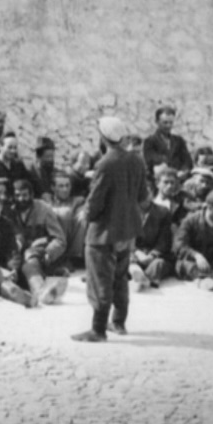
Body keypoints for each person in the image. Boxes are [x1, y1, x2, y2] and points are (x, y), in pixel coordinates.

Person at [72, 116, 148, 343]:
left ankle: (98, 329)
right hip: (128, 229)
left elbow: (96, 201)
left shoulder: (105, 163)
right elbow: (143, 196)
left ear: (103, 137)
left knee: (99, 279)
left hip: (104, 232)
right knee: (120, 277)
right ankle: (119, 322)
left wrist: (85, 214)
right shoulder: (137, 161)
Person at [10, 179, 69, 305]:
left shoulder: (44, 209)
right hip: (18, 253)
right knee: (21, 268)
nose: (21, 199)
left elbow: (60, 239)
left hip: (40, 252)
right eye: (17, 195)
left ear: (31, 194)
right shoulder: (10, 211)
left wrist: (49, 252)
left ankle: (40, 290)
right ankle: (50, 277)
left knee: (30, 260)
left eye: (25, 195)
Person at [129, 192, 173, 291]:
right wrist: (136, 252)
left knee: (158, 264)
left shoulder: (163, 212)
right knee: (121, 259)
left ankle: (141, 278)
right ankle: (137, 273)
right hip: (133, 252)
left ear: (152, 195)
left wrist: (152, 255)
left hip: (155, 254)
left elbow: (165, 239)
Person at [142, 106, 194, 178]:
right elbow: (151, 161)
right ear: (157, 122)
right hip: (158, 181)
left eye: (171, 122)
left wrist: (184, 171)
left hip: (179, 179)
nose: (168, 126)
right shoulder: (149, 141)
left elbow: (187, 161)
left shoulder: (179, 141)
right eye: (165, 122)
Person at [49, 172, 87, 271]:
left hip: (72, 244)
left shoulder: (78, 201)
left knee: (82, 216)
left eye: (67, 185)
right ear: (53, 188)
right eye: (61, 186)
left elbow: (82, 215)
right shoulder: (46, 202)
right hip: (52, 243)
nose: (65, 189)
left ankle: (74, 257)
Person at [27, 137, 57, 201]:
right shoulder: (29, 173)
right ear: (38, 157)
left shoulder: (54, 172)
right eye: (47, 157)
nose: (50, 160)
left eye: (52, 156)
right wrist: (41, 196)